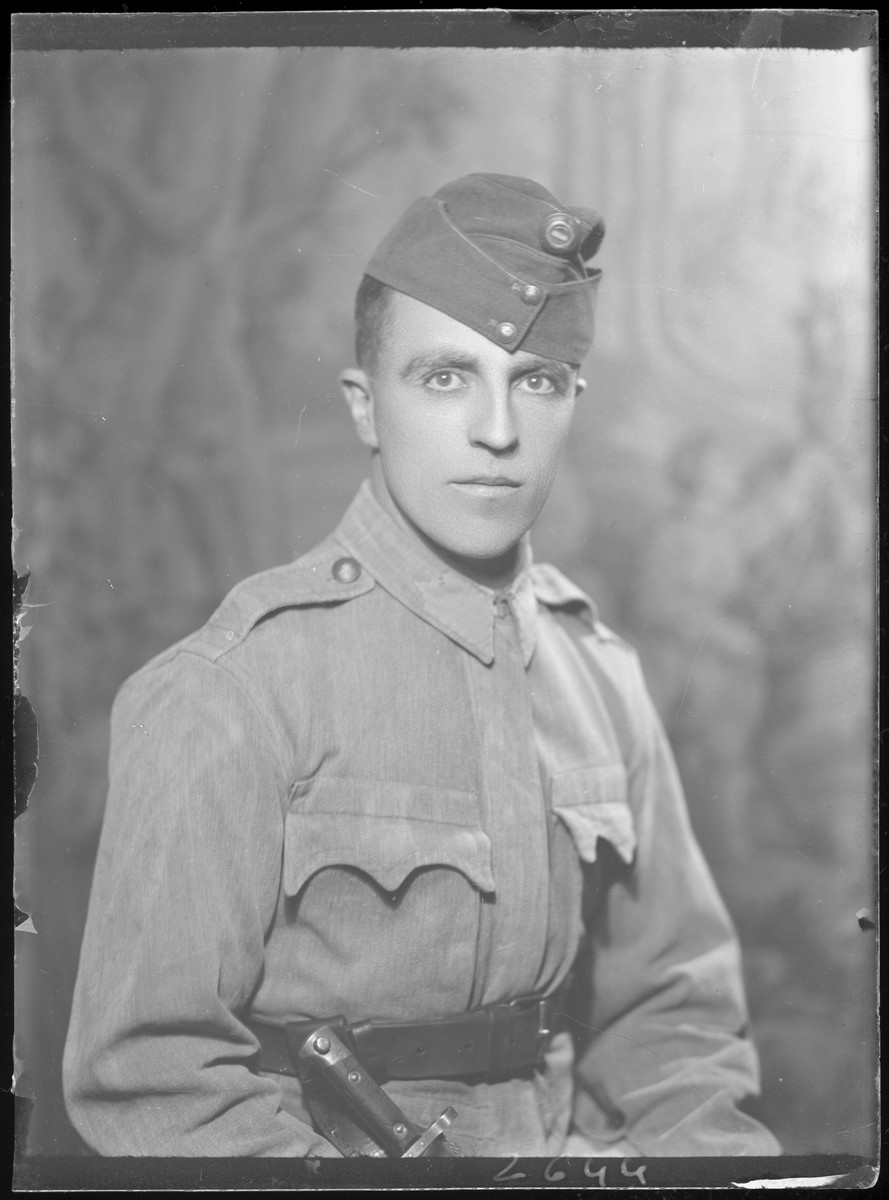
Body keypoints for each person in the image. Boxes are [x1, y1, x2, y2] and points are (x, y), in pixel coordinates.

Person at [63, 173, 781, 1158]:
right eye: (445, 377)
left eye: (535, 381)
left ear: (574, 401)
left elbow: (674, 1026)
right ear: (364, 407)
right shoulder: (233, 688)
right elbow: (150, 1079)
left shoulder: (598, 676)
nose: (496, 430)